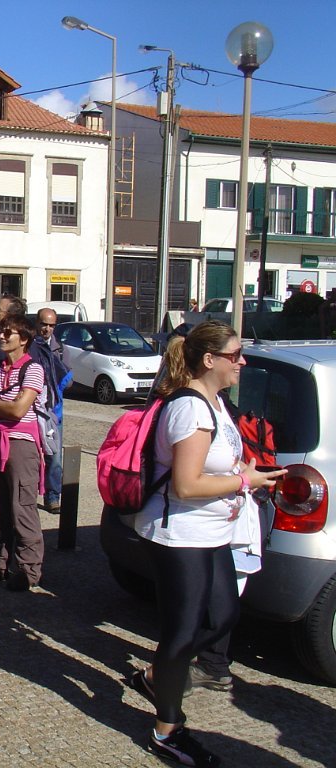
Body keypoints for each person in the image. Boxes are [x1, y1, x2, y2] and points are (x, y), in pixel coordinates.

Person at [127, 320, 284, 767]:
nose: (243, 362)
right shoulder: (190, 409)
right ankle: (168, 730)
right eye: (235, 355)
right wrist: (243, 482)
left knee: (224, 615)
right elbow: (186, 485)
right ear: (209, 359)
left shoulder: (216, 403)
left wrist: (244, 473)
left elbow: (219, 464)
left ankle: (156, 676)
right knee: (182, 632)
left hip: (213, 532)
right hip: (180, 535)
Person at [0, 313, 46, 592]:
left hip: (21, 444)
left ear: (24, 339)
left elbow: (18, 410)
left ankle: (29, 569)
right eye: (1, 331)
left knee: (21, 507)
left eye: (8, 332)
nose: (1, 336)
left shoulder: (33, 369)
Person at [34, 308, 71, 512]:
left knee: (54, 456)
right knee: (32, 455)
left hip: (53, 411)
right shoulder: (29, 345)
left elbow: (69, 379)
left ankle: (53, 495)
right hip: (32, 409)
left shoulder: (61, 349)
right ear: (37, 323)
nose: (47, 329)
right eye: (44, 324)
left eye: (51, 325)